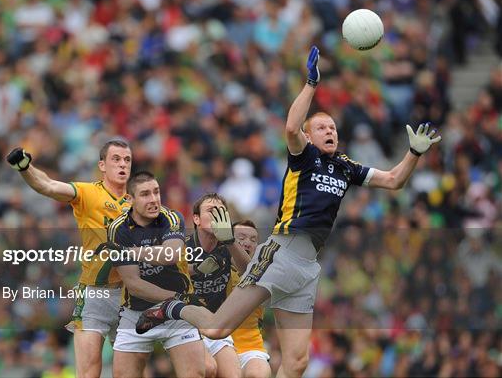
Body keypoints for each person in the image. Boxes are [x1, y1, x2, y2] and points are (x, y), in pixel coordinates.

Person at [137, 45, 442, 378]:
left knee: (297, 362)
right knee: (215, 330)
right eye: (322, 127)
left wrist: (413, 152)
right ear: (310, 136)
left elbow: (394, 180)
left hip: (307, 266)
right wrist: (311, 85)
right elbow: (290, 129)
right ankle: (171, 307)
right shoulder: (304, 156)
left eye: (334, 128)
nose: (331, 132)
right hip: (280, 253)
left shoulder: (345, 166)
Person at [6, 140, 132, 378]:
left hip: (130, 294)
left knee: (129, 373)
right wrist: (25, 168)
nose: (122, 164)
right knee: (88, 372)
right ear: (102, 165)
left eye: (127, 159)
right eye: (116, 159)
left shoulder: (139, 202)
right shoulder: (87, 192)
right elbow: (49, 186)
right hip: (95, 292)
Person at [107, 171, 206, 378]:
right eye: (145, 194)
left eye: (156, 192)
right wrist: (176, 297)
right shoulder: (118, 229)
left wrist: (130, 251)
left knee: (197, 373)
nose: (153, 200)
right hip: (137, 310)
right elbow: (135, 284)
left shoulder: (171, 217)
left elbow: (170, 255)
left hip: (177, 311)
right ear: (130, 199)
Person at [184, 193, 251, 378]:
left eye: (221, 212)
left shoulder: (228, 245)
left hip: (215, 323)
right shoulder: (184, 245)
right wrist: (196, 269)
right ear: (196, 219)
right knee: (208, 368)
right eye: (210, 211)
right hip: (185, 323)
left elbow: (250, 271)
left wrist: (229, 240)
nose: (216, 216)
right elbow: (170, 274)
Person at [231, 220, 271, 378]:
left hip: (251, 348)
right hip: (216, 345)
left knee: (259, 374)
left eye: (253, 240)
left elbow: (249, 272)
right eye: (241, 238)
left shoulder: (265, 271)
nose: (247, 242)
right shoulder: (213, 270)